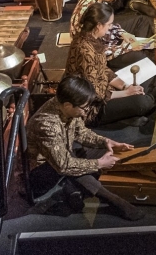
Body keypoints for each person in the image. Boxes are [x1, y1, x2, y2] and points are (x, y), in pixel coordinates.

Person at [25, 75, 144, 220]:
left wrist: (106, 141)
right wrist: (99, 164)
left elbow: (81, 133)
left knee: (105, 150)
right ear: (68, 105)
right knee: (78, 168)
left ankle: (71, 189)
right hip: (42, 173)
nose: (86, 111)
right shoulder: (46, 125)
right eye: (84, 108)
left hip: (64, 156)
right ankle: (115, 201)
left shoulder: (66, 106)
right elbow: (64, 166)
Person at [64, 1, 156, 126]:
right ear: (98, 25)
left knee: (142, 78)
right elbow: (96, 95)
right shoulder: (85, 51)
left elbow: (104, 69)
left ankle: (127, 113)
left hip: (105, 89)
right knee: (144, 102)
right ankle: (128, 112)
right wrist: (126, 93)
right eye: (109, 25)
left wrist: (126, 86)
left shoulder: (92, 39)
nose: (110, 28)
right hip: (91, 106)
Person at [70, 0, 153, 51]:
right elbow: (97, 50)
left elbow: (109, 25)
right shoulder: (91, 12)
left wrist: (123, 33)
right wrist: (129, 48)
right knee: (140, 54)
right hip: (100, 52)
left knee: (142, 21)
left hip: (106, 38)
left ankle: (140, 47)